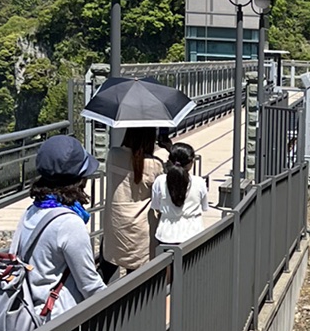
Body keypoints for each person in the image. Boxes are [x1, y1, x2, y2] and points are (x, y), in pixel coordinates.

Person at [14, 135, 105, 316]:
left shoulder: (32, 211)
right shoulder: (69, 224)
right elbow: (89, 285)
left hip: (31, 314)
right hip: (59, 322)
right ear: (80, 179)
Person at [100, 127, 164, 279]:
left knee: (105, 270)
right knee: (136, 280)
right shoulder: (155, 164)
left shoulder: (113, 154)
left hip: (115, 225)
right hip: (141, 230)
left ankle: (91, 301)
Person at [150, 142, 214, 246]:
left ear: (170, 160)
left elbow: (156, 206)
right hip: (193, 234)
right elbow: (204, 207)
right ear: (190, 163)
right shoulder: (199, 182)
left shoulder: (160, 181)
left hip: (166, 234)